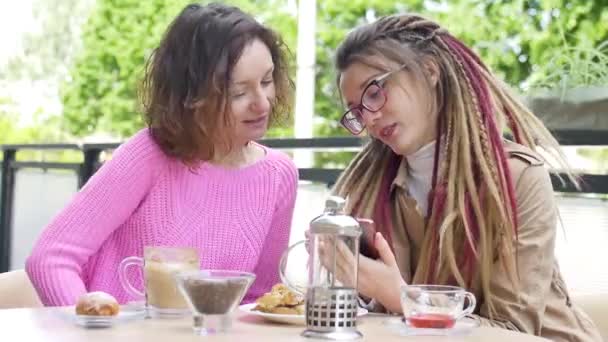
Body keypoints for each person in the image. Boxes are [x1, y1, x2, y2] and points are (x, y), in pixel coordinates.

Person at [331, 13, 601, 341]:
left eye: (374, 92)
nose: (370, 117)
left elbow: (514, 331)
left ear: (430, 71)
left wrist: (404, 300)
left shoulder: (518, 177)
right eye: (357, 111)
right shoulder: (373, 187)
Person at [26, 3, 298, 306]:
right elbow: (50, 258)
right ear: (193, 97)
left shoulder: (279, 174)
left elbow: (260, 298)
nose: (262, 104)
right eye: (239, 93)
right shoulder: (148, 155)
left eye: (267, 81)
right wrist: (88, 329)